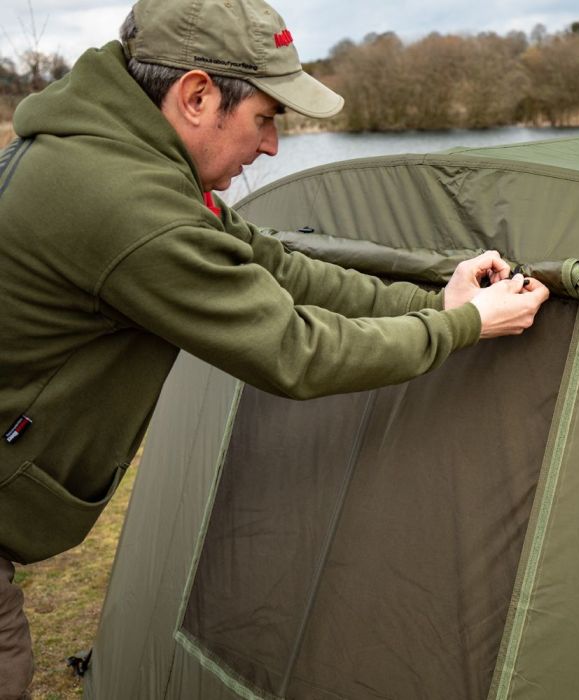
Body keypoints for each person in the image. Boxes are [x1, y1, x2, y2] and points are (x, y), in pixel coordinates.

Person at [0, 0, 548, 696]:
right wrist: (465, 328)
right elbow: (295, 352)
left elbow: (280, 268)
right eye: (265, 117)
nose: (272, 146)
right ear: (197, 96)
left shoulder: (114, 153)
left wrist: (435, 303)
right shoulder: (127, 205)